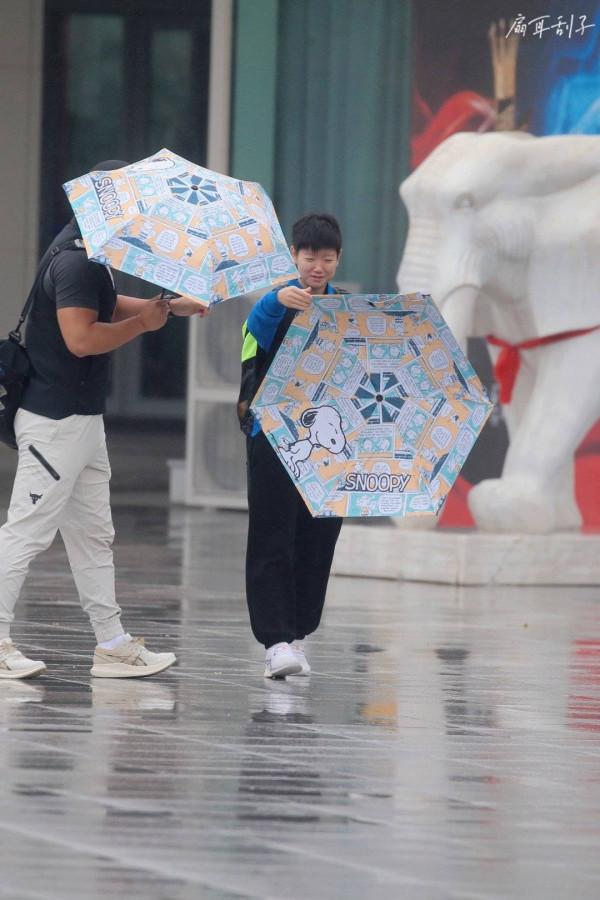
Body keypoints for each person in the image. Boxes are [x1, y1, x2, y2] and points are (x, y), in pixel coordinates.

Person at [0, 160, 205, 680]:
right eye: (135, 203)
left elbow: (105, 302)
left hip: (82, 422)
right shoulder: (75, 261)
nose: (141, 215)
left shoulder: (91, 253)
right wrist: (142, 324)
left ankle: (112, 645)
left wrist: (168, 307)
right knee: (26, 532)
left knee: (94, 535)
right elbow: (82, 338)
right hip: (55, 422)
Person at [238, 213, 346, 678]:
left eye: (326, 258)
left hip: (331, 446)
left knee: (318, 538)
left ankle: (297, 635)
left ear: (337, 260)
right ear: (293, 256)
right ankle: (275, 640)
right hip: (275, 437)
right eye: (308, 257)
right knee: (272, 536)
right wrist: (274, 302)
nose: (316, 266)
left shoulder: (345, 307)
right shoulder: (275, 302)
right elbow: (251, 344)